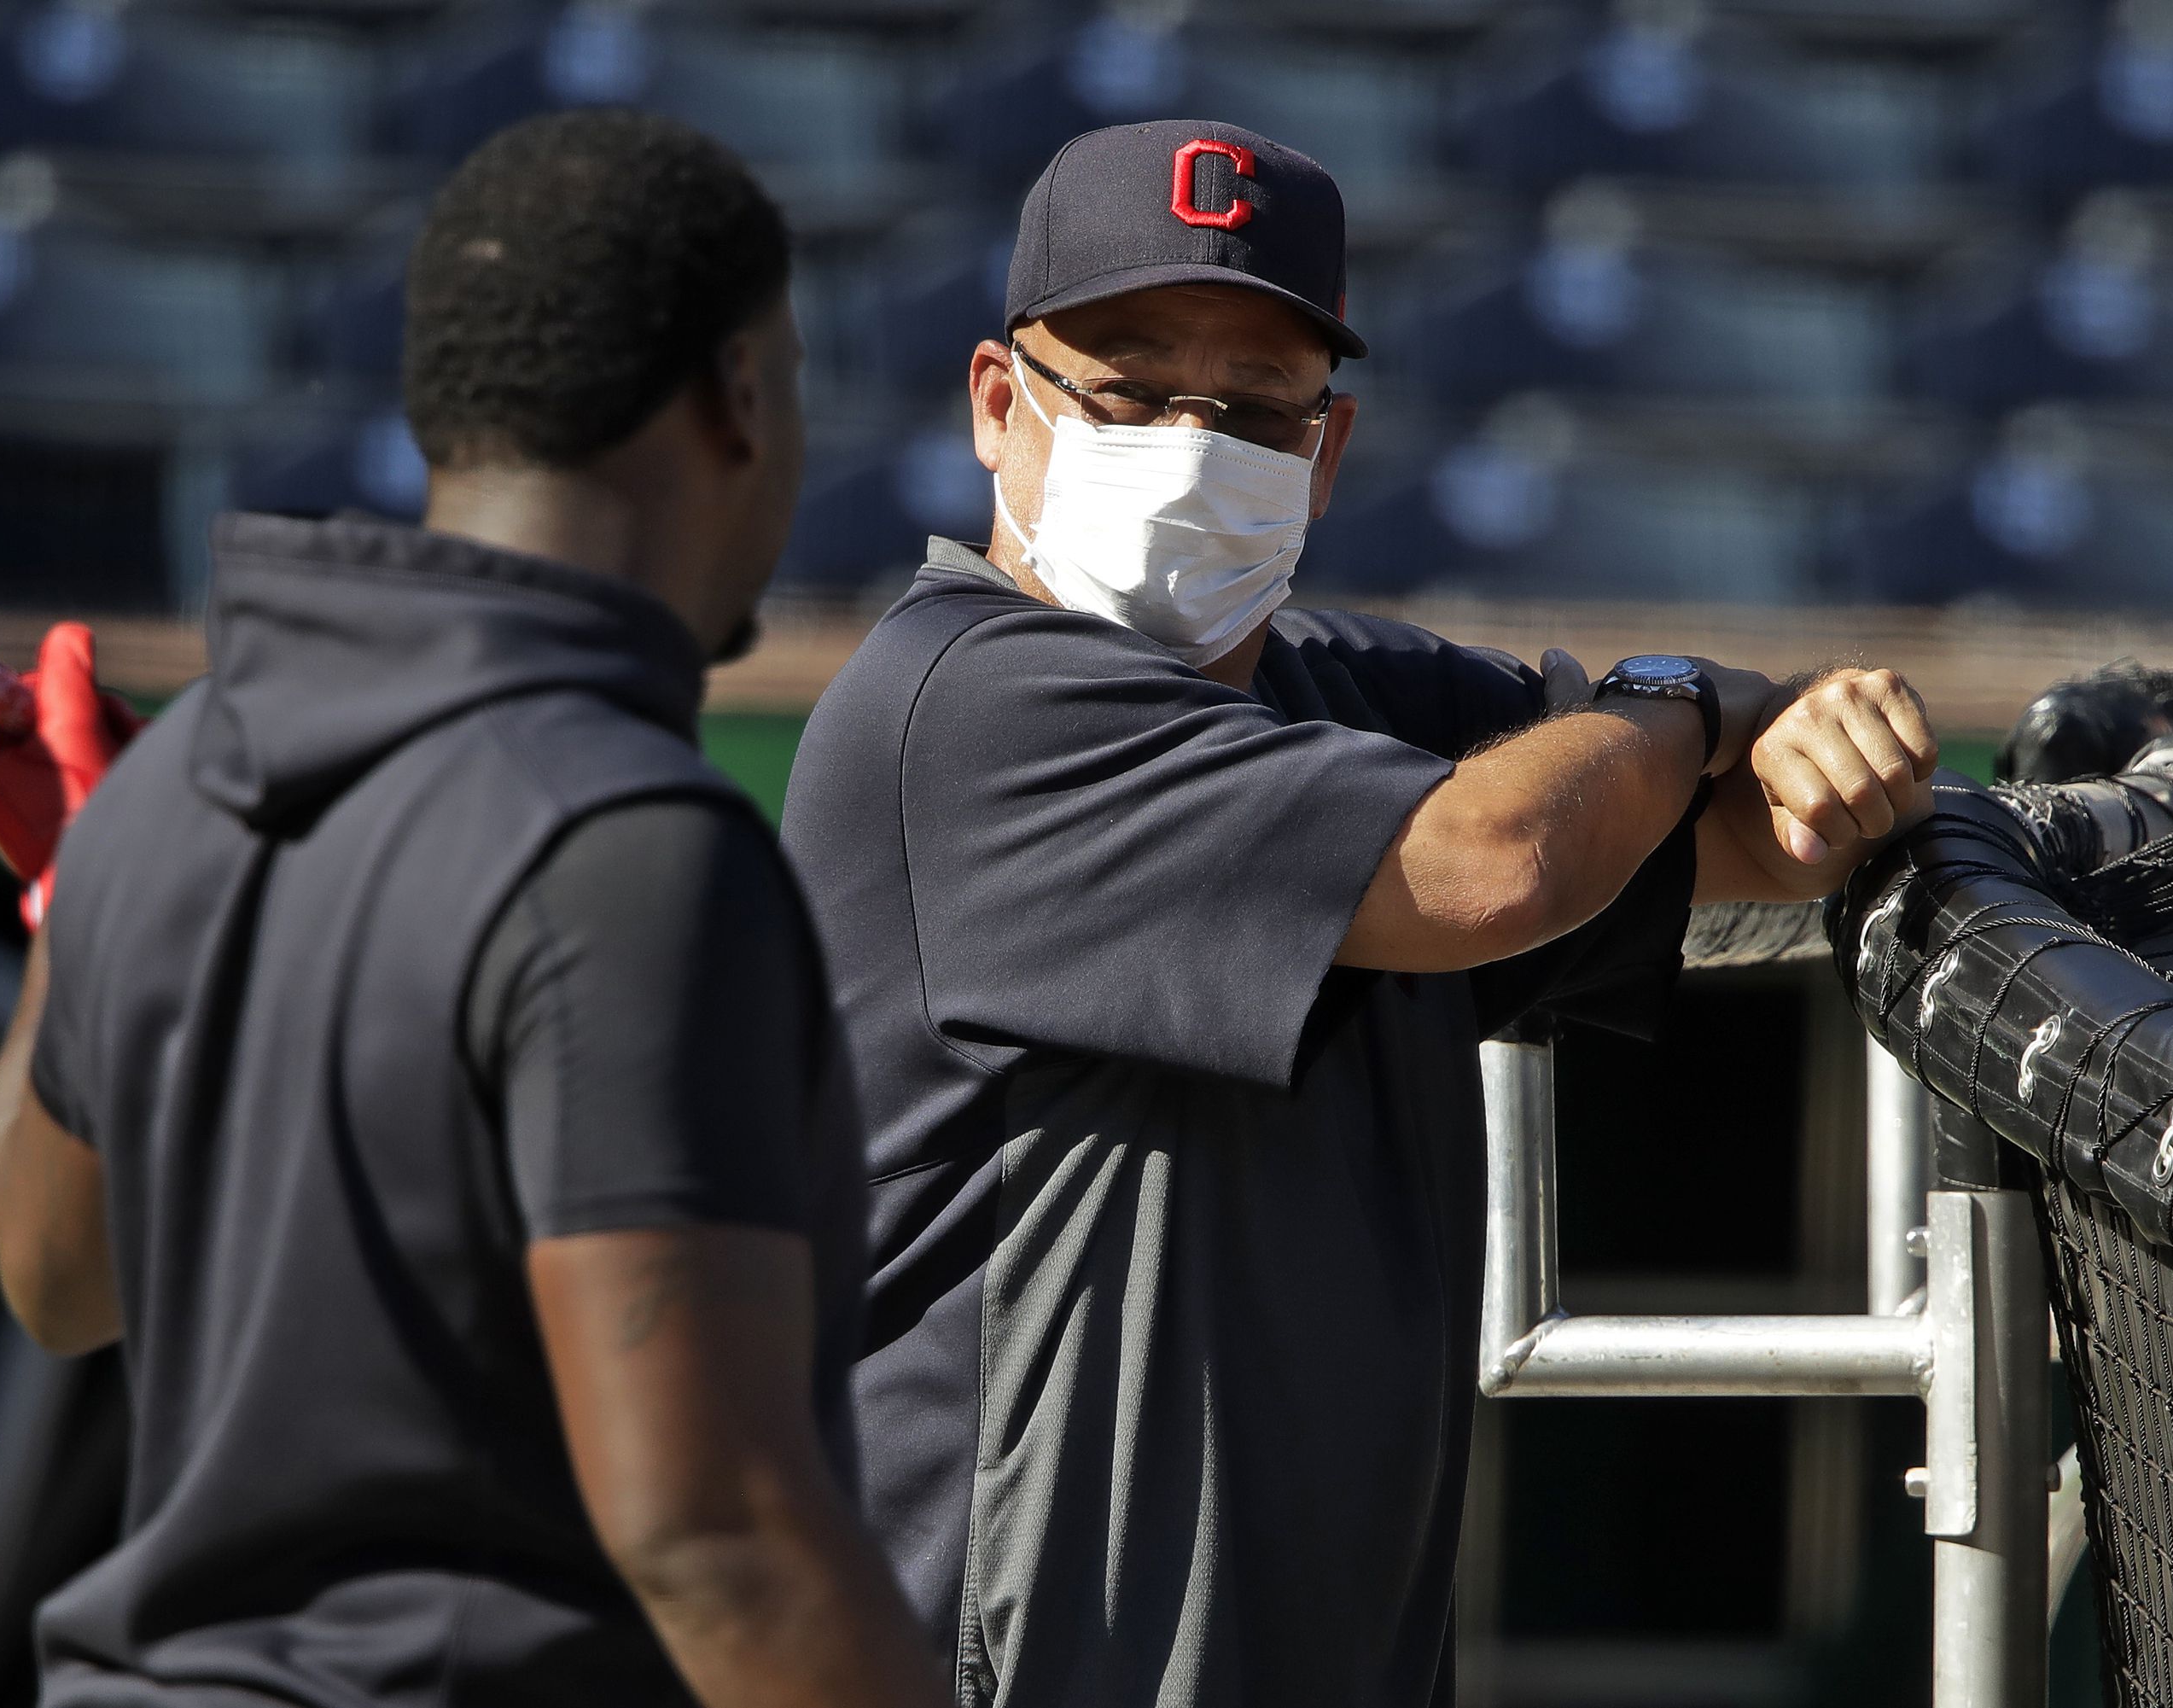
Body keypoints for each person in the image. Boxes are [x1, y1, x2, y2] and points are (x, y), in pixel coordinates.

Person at [779, 120, 1940, 1706]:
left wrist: (1813, 748)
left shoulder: (1340, 691)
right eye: (1128, 386)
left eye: (1255, 403)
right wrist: (1693, 697)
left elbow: (1744, 838)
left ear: (1325, 451)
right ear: (1000, 404)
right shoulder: (960, 708)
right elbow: (1501, 862)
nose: (1193, 439)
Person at [0, 112, 947, 1708]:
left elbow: (50, 1274)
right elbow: (715, 1534)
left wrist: (81, 909)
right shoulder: (633, 848)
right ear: (741, 397)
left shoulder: (171, 789)